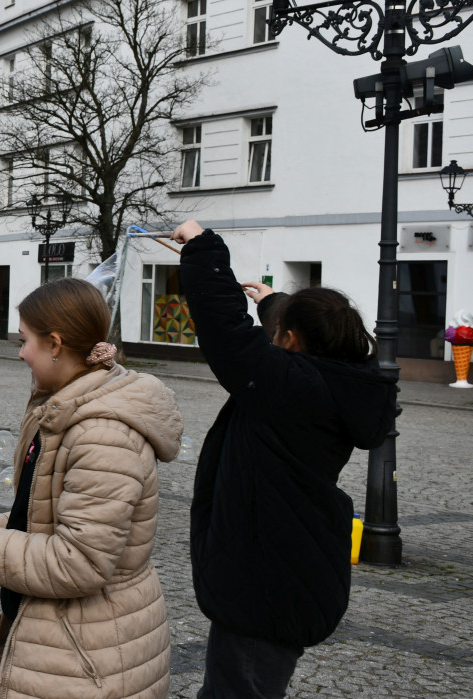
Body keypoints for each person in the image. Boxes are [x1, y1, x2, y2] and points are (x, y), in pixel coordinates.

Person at [171, 221, 397, 698]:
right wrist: (272, 303)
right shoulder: (339, 381)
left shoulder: (291, 387)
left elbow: (225, 332)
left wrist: (203, 247)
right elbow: (298, 338)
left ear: (291, 341)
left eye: (280, 332)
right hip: (288, 566)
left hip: (267, 583)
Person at [0, 277, 183, 698]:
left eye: (24, 340)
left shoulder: (102, 433)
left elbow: (81, 561)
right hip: (67, 644)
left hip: (89, 657)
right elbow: (52, 513)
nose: (19, 353)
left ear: (55, 344)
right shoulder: (65, 406)